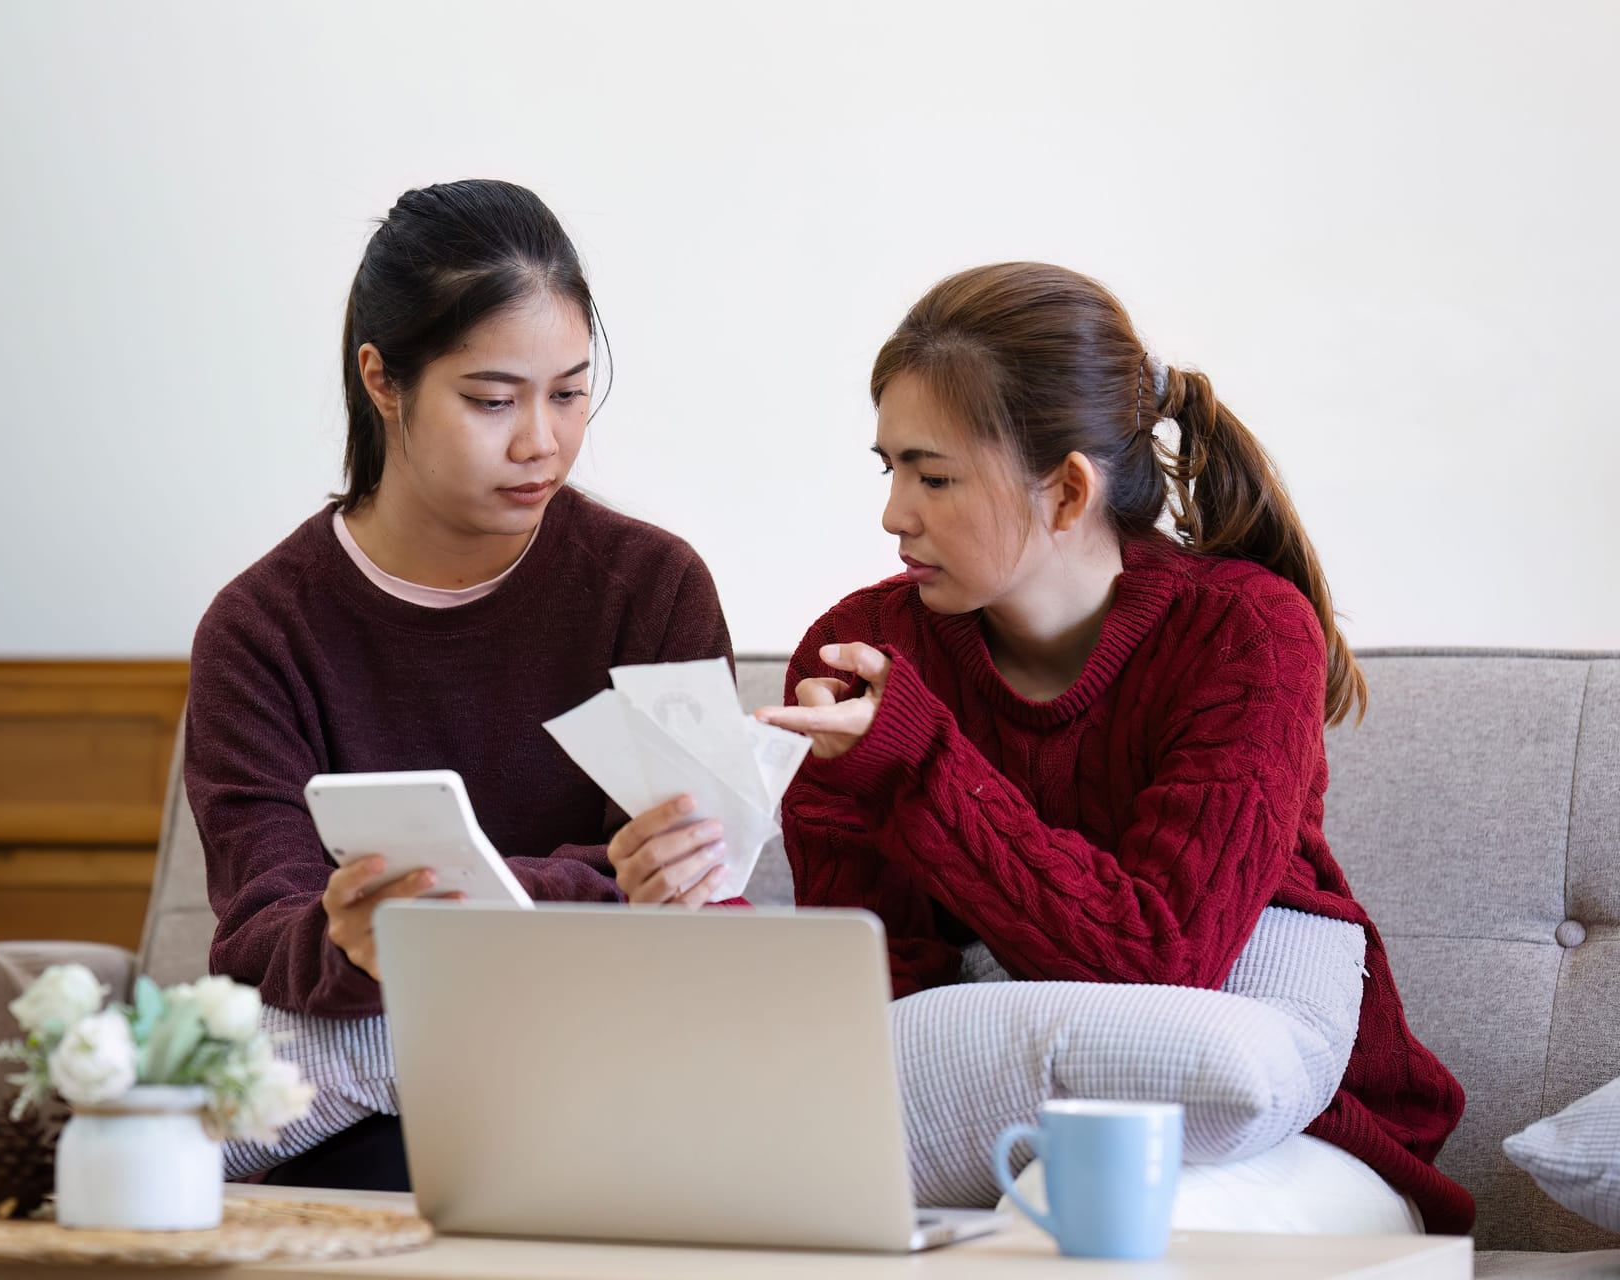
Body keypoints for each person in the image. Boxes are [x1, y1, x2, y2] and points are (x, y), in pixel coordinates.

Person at [756, 263, 1472, 1233]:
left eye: (933, 475)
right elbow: (879, 982)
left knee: (1092, 1228)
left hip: (1300, 1130)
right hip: (998, 1120)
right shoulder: (865, 651)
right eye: (889, 470)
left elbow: (1162, 954)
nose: (895, 514)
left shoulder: (1247, 633)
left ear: (1067, 492)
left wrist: (918, 758)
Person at [185, 180, 733, 1190]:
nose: (541, 442)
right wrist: (347, 939)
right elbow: (259, 932)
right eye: (492, 400)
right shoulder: (261, 631)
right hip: (358, 1083)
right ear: (382, 380)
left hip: (600, 1052)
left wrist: (451, 910)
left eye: (569, 393)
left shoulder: (650, 590)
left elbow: (673, 885)